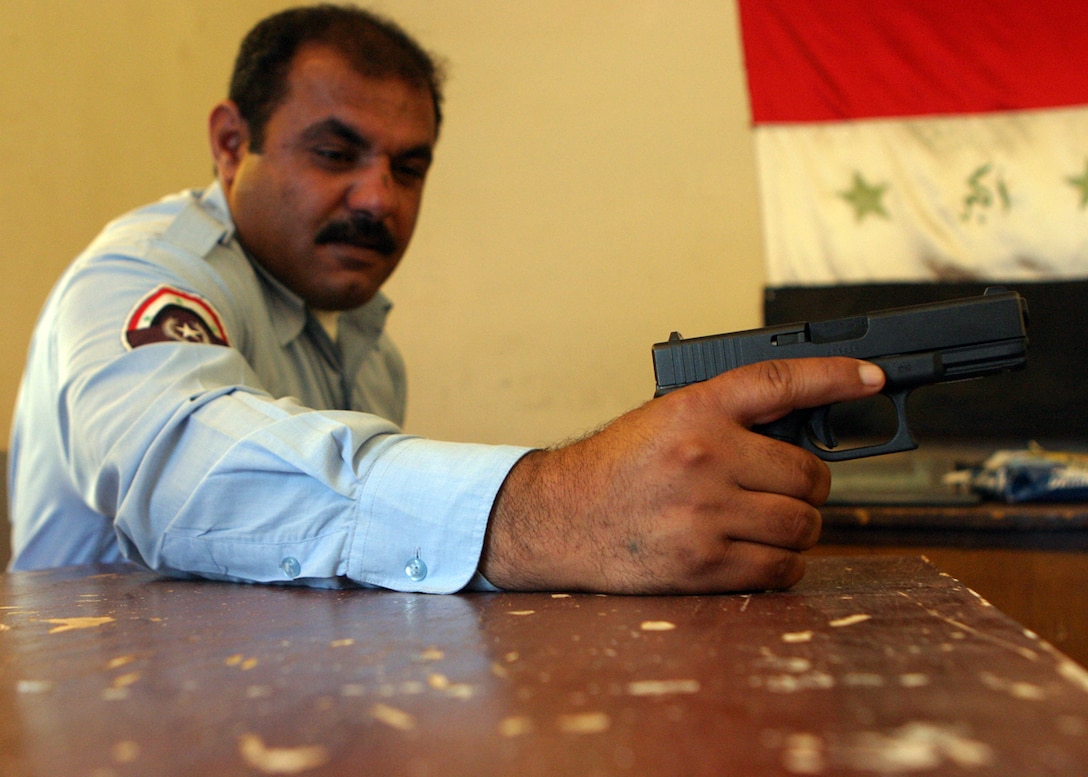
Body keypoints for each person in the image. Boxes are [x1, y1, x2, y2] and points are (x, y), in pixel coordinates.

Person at [6, 4, 885, 593]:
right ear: (232, 144)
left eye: (408, 165)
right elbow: (181, 471)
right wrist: (546, 506)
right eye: (335, 152)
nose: (378, 197)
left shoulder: (365, 350)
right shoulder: (136, 276)